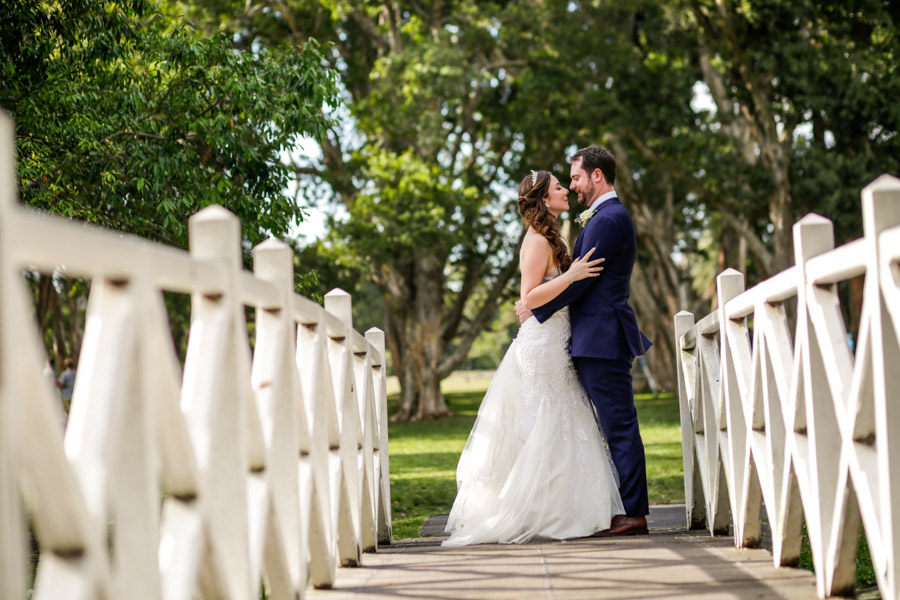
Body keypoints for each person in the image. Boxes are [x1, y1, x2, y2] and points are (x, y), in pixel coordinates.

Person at [443, 170, 624, 547]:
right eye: (559, 187)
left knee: (565, 417)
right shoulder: (538, 240)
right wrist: (571, 276)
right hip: (542, 344)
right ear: (543, 199)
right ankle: (545, 511)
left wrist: (566, 280)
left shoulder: (550, 236)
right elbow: (529, 297)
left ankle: (568, 508)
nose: (566, 191)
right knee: (549, 420)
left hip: (556, 338)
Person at [517, 145, 652, 536]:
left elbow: (583, 280)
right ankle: (619, 508)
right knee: (605, 426)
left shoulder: (608, 220)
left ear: (597, 175)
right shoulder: (600, 217)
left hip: (602, 338)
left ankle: (634, 514)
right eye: (566, 181)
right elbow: (573, 278)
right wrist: (534, 302)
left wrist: (535, 307)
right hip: (589, 338)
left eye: (575, 178)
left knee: (619, 425)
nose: (572, 185)